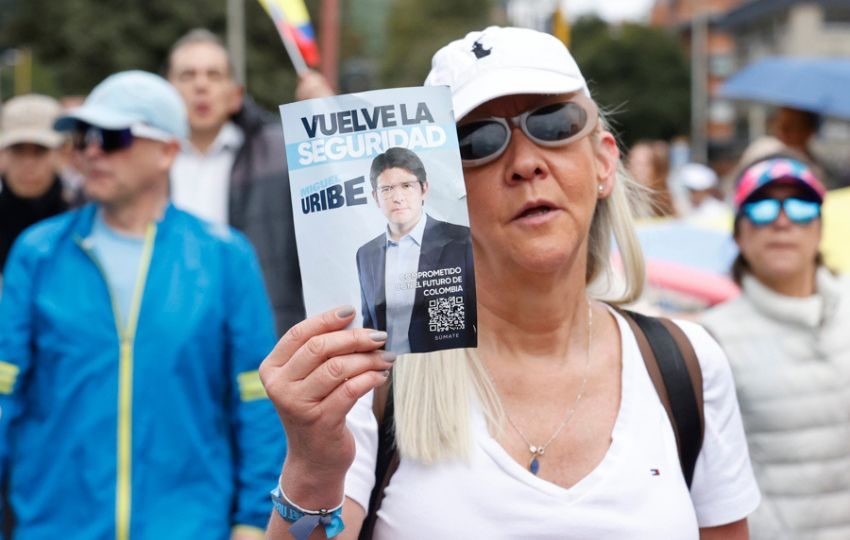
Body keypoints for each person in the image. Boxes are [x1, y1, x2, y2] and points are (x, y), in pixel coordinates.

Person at [260, 26, 759, 539]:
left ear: (604, 162)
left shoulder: (687, 366)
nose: (525, 164)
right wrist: (313, 468)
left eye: (555, 123)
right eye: (478, 141)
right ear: (442, 188)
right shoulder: (376, 380)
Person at [0, 71, 283, 539]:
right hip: (56, 525)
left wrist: (253, 520)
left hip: (190, 526)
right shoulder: (38, 252)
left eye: (113, 137)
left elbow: (257, 396)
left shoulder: (224, 256)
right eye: (84, 136)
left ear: (168, 150)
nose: (91, 150)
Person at [701, 155, 850, 539]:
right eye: (763, 208)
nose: (783, 221)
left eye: (801, 207)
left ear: (819, 228)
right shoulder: (709, 341)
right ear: (739, 233)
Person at [166, 28, 331, 336]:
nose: (201, 86)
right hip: (169, 330)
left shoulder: (282, 153)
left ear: (235, 94)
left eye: (213, 75)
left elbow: (342, 193)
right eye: (187, 76)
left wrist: (327, 120)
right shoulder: (144, 160)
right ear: (166, 90)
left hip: (259, 331)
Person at [356, 147, 476, 354]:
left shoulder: (462, 241)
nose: (398, 197)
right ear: (375, 197)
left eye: (406, 186)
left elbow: (481, 319)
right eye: (387, 189)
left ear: (424, 189)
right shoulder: (366, 254)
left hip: (449, 370)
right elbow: (370, 326)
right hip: (391, 375)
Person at [0, 94, 72, 273]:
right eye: (18, 150)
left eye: (40, 151)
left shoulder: (83, 221)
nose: (28, 164)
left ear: (62, 153)